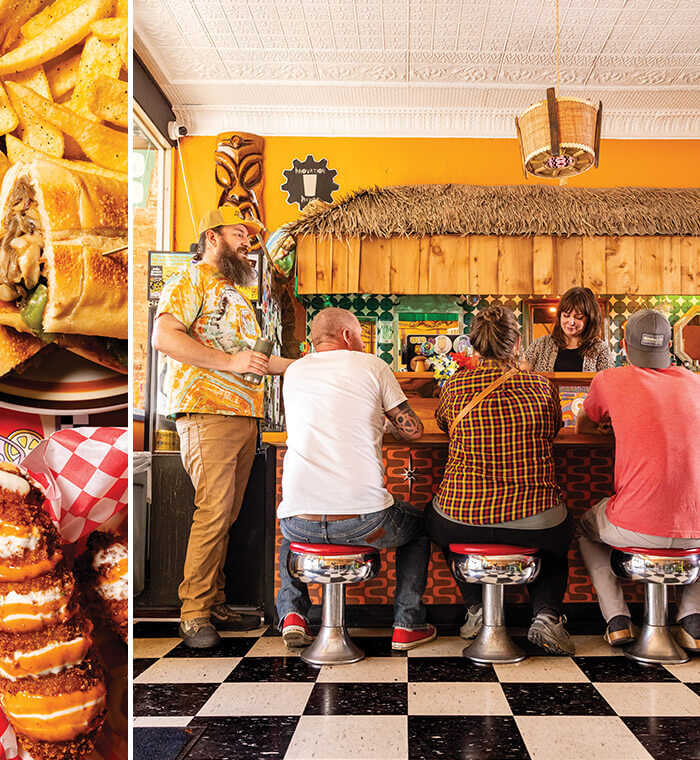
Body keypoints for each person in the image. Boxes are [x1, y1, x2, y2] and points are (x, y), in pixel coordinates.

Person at [153, 206, 294, 649]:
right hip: (206, 410)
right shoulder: (189, 279)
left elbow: (254, 361)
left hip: (241, 414)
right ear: (211, 238)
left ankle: (212, 602)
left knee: (226, 514)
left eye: (250, 237)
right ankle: (193, 614)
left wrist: (316, 365)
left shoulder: (234, 293)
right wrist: (231, 362)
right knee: (213, 512)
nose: (247, 243)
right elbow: (164, 337)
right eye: (239, 234)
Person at [277, 308, 436, 651]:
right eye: (360, 335)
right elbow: (413, 430)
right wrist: (386, 424)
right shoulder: (373, 366)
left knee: (293, 515)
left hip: (299, 525)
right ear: (348, 336)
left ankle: (292, 614)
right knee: (420, 528)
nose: (363, 342)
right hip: (364, 522)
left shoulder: (295, 371)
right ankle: (407, 624)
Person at [427, 306, 576, 655]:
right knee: (557, 542)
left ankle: (477, 609)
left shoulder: (454, 386)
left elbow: (444, 426)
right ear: (518, 342)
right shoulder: (542, 387)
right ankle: (547, 616)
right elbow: (554, 430)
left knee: (432, 524)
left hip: (462, 518)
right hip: (537, 518)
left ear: (473, 345)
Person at [575, 309, 700, 648]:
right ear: (670, 345)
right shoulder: (697, 383)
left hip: (636, 526)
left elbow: (583, 427)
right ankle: (691, 618)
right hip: (695, 533)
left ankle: (617, 618)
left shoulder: (609, 380)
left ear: (624, 347)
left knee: (585, 527)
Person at [523, 286, 613, 372]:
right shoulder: (540, 345)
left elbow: (608, 383)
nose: (571, 322)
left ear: (589, 319)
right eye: (566, 315)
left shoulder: (600, 349)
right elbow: (521, 376)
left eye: (578, 317)